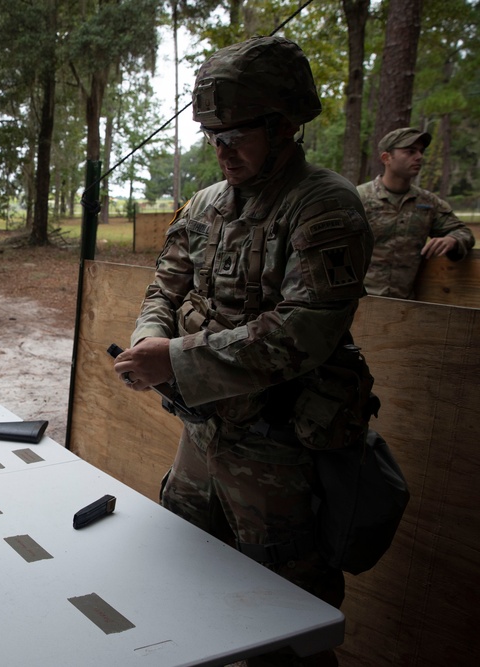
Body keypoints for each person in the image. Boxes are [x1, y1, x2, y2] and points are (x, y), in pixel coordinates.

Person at [113, 36, 374, 666]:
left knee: (282, 617)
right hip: (202, 435)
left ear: (285, 125)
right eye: (212, 134)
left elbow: (302, 330)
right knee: (183, 574)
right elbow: (165, 283)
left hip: (276, 448)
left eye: (237, 133)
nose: (223, 149)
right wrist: (152, 335)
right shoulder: (206, 203)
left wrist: (174, 361)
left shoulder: (326, 207)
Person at [358, 127, 475, 299]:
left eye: (421, 151)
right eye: (410, 151)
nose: (419, 157)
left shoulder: (427, 203)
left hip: (405, 306)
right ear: (386, 158)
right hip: (359, 303)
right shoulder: (358, 198)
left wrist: (452, 240)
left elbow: (463, 232)